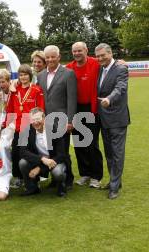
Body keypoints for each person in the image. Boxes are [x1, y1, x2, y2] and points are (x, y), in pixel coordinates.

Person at [37, 45, 77, 188]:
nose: (50, 59)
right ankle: (56, 179)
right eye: (47, 57)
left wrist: (70, 121)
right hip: (45, 122)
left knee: (64, 151)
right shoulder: (40, 75)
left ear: (59, 57)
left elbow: (72, 99)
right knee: (51, 151)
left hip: (62, 120)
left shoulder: (68, 73)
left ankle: (69, 179)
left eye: (53, 56)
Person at [66, 42, 104, 188]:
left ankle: (96, 176)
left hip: (91, 108)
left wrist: (122, 63)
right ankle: (85, 174)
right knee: (79, 143)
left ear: (86, 50)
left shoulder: (96, 63)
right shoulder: (69, 68)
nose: (77, 53)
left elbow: (111, 64)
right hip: (75, 109)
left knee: (92, 143)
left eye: (79, 51)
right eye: (74, 51)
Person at [95, 43, 130, 199]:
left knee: (117, 153)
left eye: (103, 55)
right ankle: (115, 181)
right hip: (104, 118)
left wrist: (109, 99)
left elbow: (121, 87)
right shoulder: (101, 68)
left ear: (110, 54)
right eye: (98, 56)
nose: (101, 58)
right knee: (109, 153)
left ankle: (114, 187)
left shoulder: (121, 68)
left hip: (117, 118)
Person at [4, 64, 45, 189]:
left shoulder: (36, 90)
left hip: (31, 125)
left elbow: (41, 108)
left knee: (31, 153)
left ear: (30, 76)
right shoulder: (15, 91)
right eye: (21, 75)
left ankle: (35, 178)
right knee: (16, 152)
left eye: (25, 75)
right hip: (18, 126)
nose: (23, 77)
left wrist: (38, 124)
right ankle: (19, 177)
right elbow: (10, 109)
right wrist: (7, 124)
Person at [19, 108, 69, 197]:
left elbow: (62, 154)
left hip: (55, 160)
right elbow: (23, 151)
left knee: (58, 172)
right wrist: (42, 159)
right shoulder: (27, 130)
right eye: (33, 120)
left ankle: (61, 187)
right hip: (39, 160)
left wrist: (39, 168)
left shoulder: (55, 129)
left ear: (44, 118)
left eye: (38, 119)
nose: (35, 122)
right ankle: (32, 188)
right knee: (23, 163)